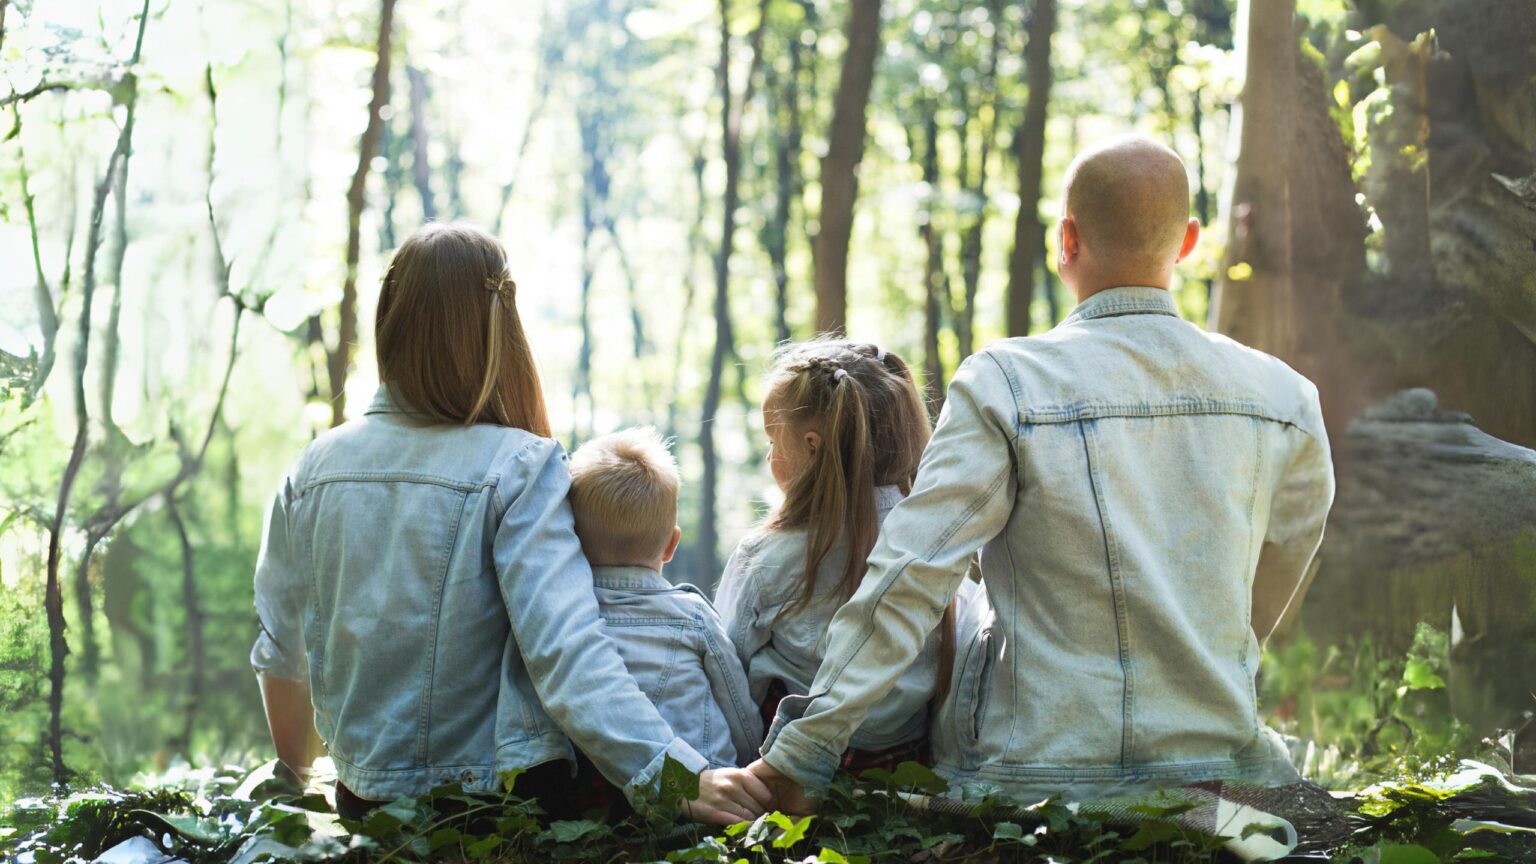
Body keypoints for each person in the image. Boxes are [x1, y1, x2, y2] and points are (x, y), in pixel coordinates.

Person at [746, 135, 1336, 809]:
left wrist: (803, 751)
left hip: (1032, 777)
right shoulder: (1286, 399)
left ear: (1066, 240)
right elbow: (1274, 578)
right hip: (1224, 765)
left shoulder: (1008, 384)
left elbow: (911, 575)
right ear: (1189, 242)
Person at [250, 222, 769, 824]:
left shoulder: (311, 467)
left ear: (389, 319)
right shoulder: (520, 465)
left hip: (364, 804)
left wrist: (297, 782)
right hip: (493, 807)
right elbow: (566, 651)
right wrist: (676, 778)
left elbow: (280, 649)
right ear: (499, 328)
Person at [714, 340, 956, 775]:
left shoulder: (768, 555)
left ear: (812, 445)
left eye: (773, 441)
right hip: (905, 762)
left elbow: (727, 669)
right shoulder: (937, 541)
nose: (770, 456)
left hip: (793, 769)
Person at [567, 426, 762, 778]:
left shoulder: (564, 618)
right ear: (671, 545)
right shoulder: (693, 616)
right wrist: (749, 761)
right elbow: (738, 709)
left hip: (601, 798)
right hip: (705, 786)